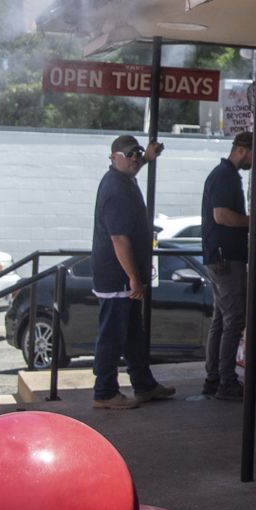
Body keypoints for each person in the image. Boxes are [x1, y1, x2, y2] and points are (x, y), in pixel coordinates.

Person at [91, 134, 174, 410]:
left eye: (137, 153)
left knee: (132, 334)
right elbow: (119, 239)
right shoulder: (117, 189)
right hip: (117, 277)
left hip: (122, 276)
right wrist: (134, 278)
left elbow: (135, 166)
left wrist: (148, 158)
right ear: (114, 157)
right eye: (129, 155)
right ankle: (104, 392)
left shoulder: (122, 178)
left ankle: (144, 385)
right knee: (112, 335)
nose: (135, 159)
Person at [200, 132, 252, 400]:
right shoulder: (224, 176)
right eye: (255, 154)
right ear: (242, 151)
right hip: (224, 258)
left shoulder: (224, 175)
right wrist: (254, 221)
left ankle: (214, 378)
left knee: (221, 321)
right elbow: (221, 216)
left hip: (220, 257)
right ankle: (227, 383)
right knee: (234, 320)